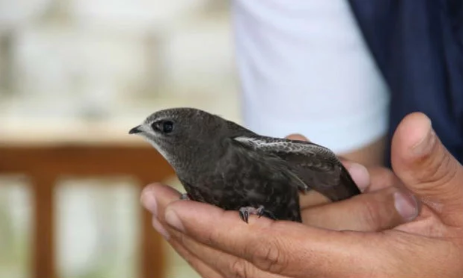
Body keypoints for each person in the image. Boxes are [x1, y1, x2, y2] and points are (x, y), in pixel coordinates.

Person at [142, 112, 463, 277]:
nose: (148, 133)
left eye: (164, 127)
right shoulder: (190, 163)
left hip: (287, 212)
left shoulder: (238, 147)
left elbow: (321, 162)